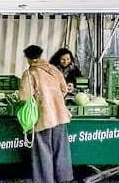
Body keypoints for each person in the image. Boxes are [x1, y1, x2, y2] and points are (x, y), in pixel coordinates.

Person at [19, 45, 74, 183]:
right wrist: (55, 99)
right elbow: (64, 89)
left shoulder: (30, 73)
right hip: (60, 115)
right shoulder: (53, 69)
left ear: (28, 58)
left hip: (43, 117)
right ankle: (64, 178)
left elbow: (24, 96)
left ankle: (46, 180)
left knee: (43, 151)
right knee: (61, 150)